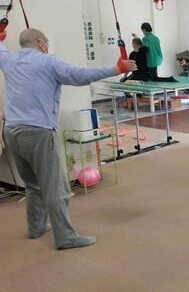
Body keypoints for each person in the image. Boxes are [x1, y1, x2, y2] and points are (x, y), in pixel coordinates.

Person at [0, 28, 136, 250]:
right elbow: (80, 75)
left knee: (33, 185)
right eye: (45, 43)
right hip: (38, 132)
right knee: (57, 187)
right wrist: (116, 69)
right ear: (41, 42)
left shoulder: (9, 61)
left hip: (12, 131)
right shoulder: (48, 62)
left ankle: (36, 227)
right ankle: (65, 238)